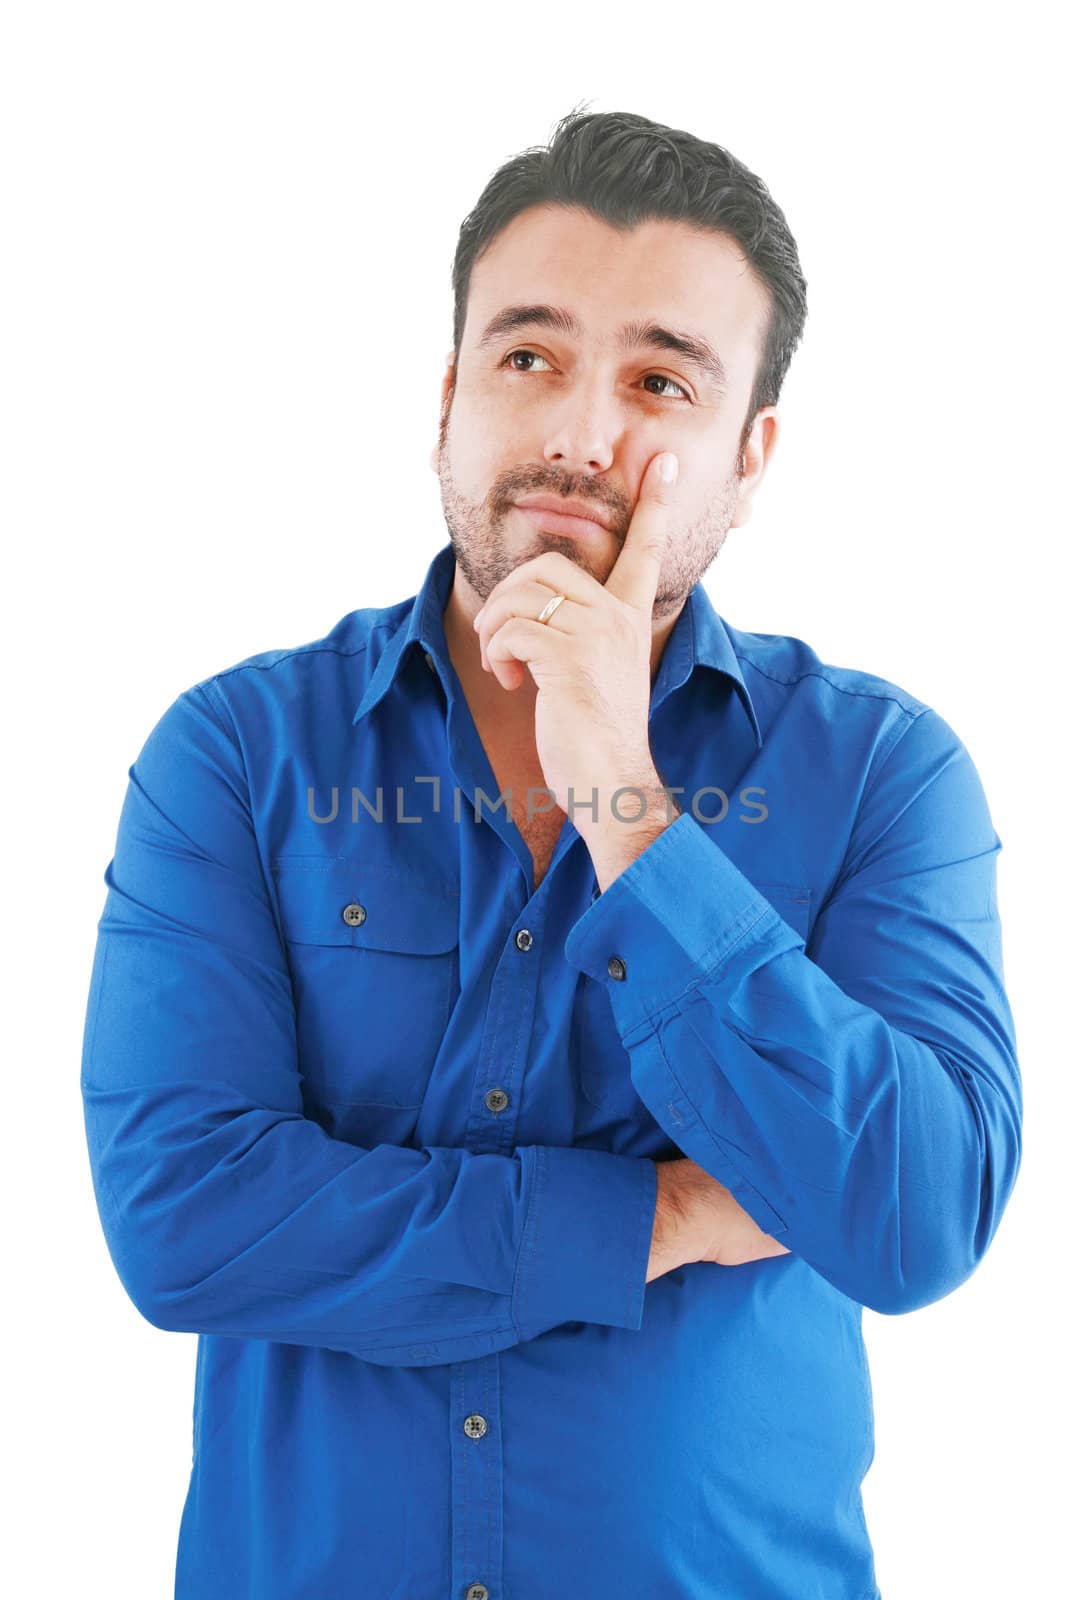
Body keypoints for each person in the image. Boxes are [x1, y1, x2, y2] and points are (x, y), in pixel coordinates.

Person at [80, 106, 1022, 1600]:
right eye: (530, 357)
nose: (583, 431)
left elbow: (914, 1217)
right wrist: (656, 1217)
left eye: (660, 380)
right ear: (450, 392)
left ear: (750, 452)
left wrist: (626, 807)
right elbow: (184, 1221)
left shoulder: (880, 776)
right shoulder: (238, 756)